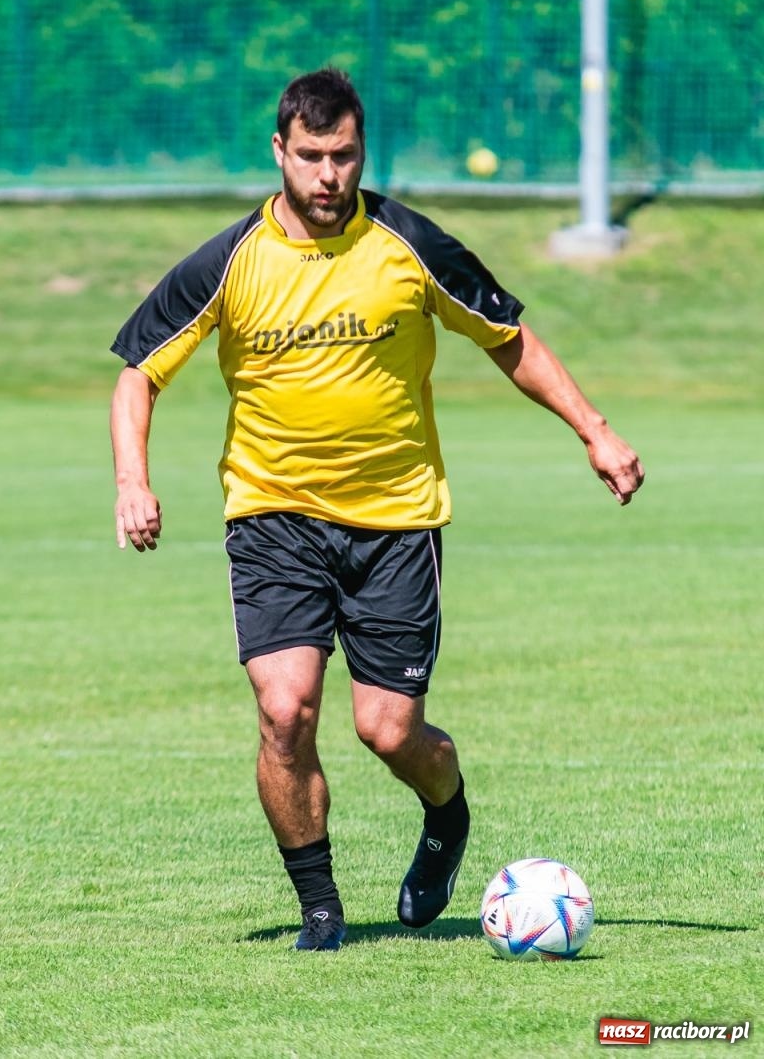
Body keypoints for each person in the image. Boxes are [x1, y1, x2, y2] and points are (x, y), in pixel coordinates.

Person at [107, 68, 644, 951]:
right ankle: (321, 907)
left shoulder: (409, 244)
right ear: (279, 151)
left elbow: (509, 338)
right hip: (273, 514)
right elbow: (139, 370)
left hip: (396, 521)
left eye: (344, 156)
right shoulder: (230, 259)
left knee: (387, 730)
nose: (328, 175)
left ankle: (447, 812)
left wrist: (595, 430)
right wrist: (134, 478)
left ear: (363, 153)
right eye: (311, 156)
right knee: (285, 710)